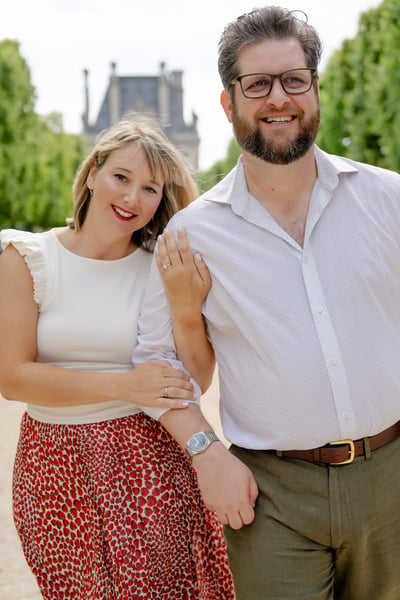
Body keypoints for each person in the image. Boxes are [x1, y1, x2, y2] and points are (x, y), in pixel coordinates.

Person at [132, 6, 400, 600]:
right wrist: (206, 453)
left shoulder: (390, 199)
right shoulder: (190, 236)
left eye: (293, 79)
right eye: (258, 84)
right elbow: (156, 365)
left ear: (316, 89)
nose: (279, 98)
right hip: (271, 495)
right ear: (229, 103)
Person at [0, 113, 235, 599]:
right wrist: (124, 385)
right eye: (121, 177)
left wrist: (188, 308)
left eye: (150, 189)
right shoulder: (24, 257)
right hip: (53, 470)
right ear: (92, 174)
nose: (131, 198)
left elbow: (194, 380)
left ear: (160, 202)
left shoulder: (162, 267)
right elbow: (13, 377)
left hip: (151, 463)